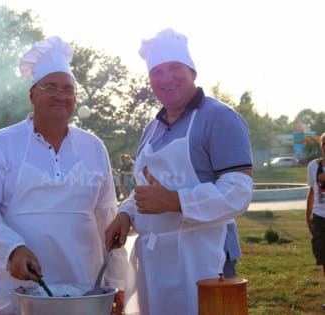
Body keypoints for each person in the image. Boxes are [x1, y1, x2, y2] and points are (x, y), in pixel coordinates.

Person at [0, 36, 127, 314]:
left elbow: (107, 218)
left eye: (68, 89)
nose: (60, 95)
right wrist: (12, 249)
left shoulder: (94, 147)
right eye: (50, 87)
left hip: (86, 290)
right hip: (23, 291)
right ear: (32, 94)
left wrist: (117, 284)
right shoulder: (1, 144)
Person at [105, 28, 253, 315]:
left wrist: (175, 201)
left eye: (175, 68)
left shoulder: (220, 118)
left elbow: (238, 192)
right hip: (154, 261)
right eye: (157, 72)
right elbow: (146, 192)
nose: (166, 78)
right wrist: (126, 214)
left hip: (203, 259)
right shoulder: (152, 128)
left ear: (193, 71)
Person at [306, 132, 325, 309]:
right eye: (324, 143)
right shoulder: (313, 166)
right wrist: (308, 215)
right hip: (320, 217)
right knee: (323, 256)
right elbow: (312, 191)